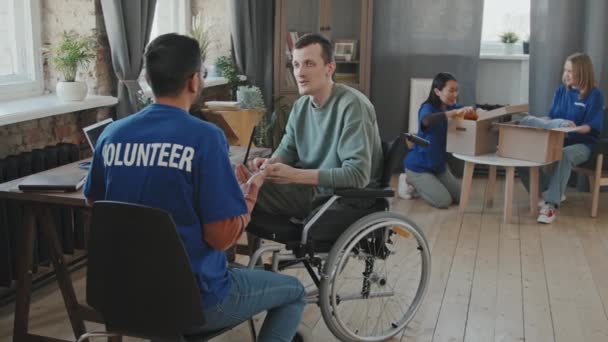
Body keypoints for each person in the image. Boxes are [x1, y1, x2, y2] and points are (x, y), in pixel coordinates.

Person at [83, 33, 305, 341]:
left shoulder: (112, 135)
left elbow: (96, 204)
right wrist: (248, 195)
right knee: (294, 292)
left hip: (123, 296)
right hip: (195, 301)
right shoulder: (205, 138)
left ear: (147, 78)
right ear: (194, 81)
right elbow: (222, 238)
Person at [249, 33, 383, 218]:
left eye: (309, 64)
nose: (300, 73)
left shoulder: (353, 106)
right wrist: (270, 165)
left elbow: (357, 176)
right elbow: (287, 151)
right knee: (243, 183)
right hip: (312, 189)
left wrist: (293, 175)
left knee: (243, 191)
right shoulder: (300, 106)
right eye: (296, 64)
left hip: (342, 198)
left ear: (330, 68)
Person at [518, 52, 604, 224]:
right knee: (522, 152)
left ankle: (551, 205)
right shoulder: (560, 91)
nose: (566, 75)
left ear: (583, 72)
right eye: (565, 70)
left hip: (583, 145)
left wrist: (573, 129)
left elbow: (591, 127)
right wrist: (537, 121)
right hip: (557, 137)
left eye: (571, 71)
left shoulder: (595, 95)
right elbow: (550, 119)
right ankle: (543, 193)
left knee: (564, 154)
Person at [401, 72, 476, 208]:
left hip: (439, 165)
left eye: (456, 90)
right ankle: (408, 180)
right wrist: (453, 113)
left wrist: (475, 111)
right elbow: (426, 120)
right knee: (443, 201)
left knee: (461, 197)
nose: (455, 94)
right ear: (437, 91)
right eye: (451, 90)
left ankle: (430, 183)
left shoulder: (452, 107)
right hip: (419, 166)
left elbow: (470, 114)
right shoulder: (427, 108)